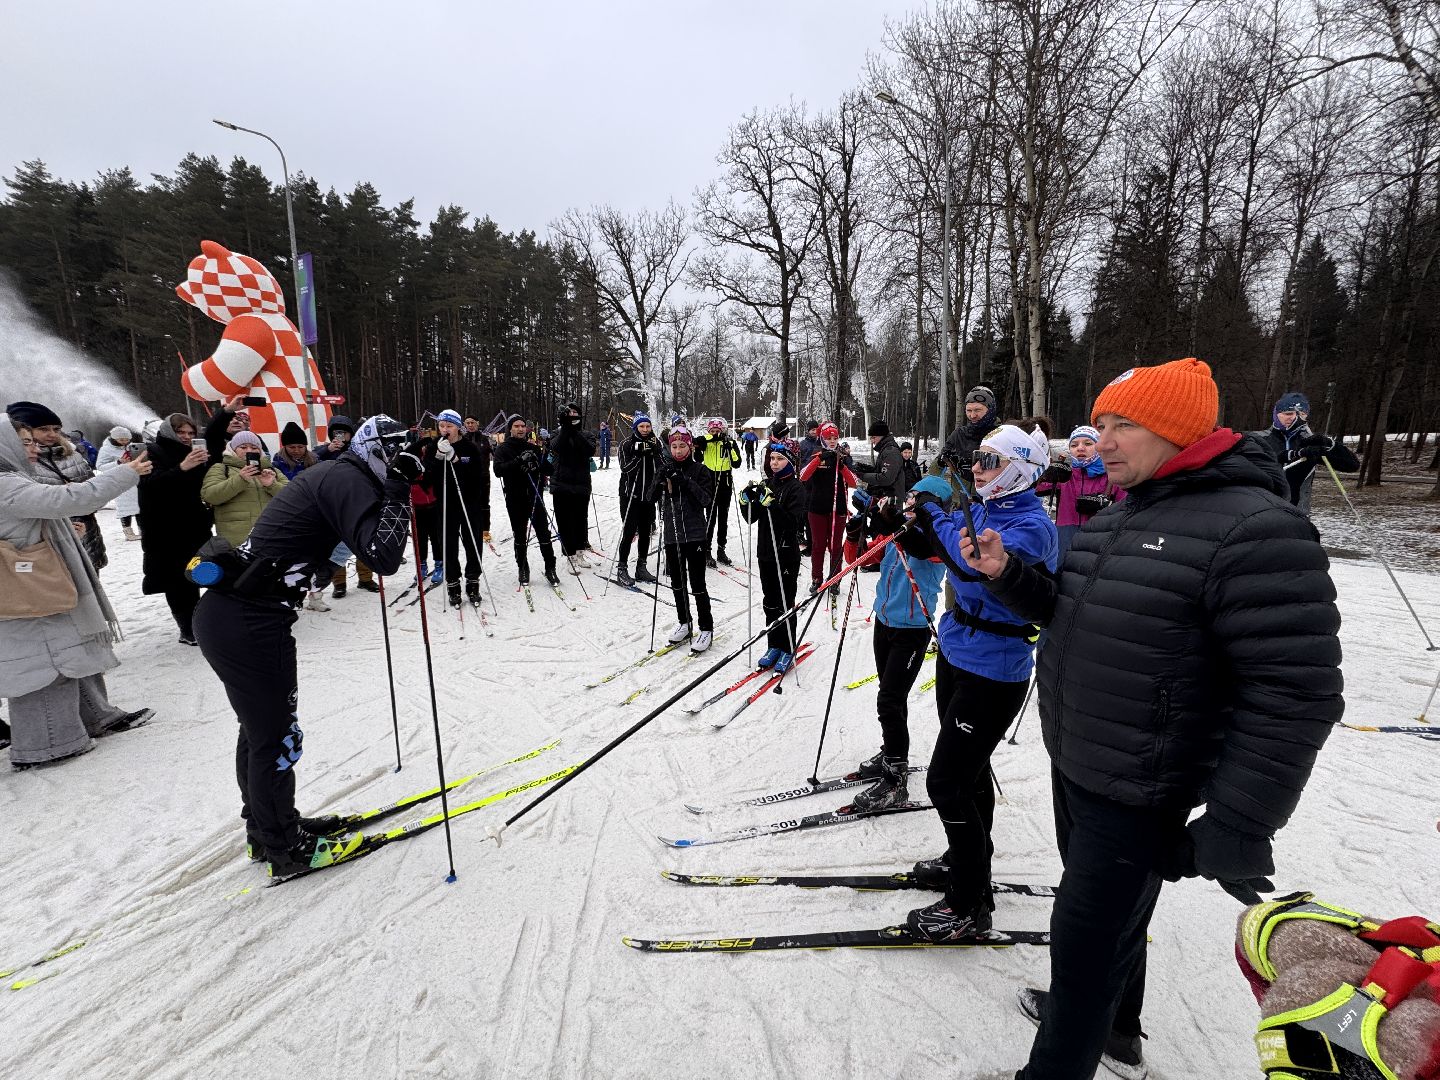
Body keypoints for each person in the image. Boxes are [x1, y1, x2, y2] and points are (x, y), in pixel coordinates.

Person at [956, 358, 1344, 1080]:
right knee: (1108, 933)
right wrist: (1008, 575)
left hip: (1140, 784)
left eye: (1121, 425)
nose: (1100, 441)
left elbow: (1296, 693)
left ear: (1178, 429)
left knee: (1081, 945)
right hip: (1079, 761)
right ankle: (1117, 1031)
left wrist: (1240, 823)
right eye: (1098, 424)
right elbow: (1071, 615)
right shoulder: (1119, 515)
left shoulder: (1259, 529)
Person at [191, 415, 417, 876]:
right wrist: (398, 491)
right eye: (393, 453)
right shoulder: (346, 476)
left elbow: (349, 544)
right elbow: (383, 556)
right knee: (277, 737)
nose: (397, 462)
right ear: (376, 450)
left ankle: (268, 830)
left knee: (261, 734)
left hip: (240, 614)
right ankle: (285, 847)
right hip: (248, 620)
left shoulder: (339, 475)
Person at [904, 423, 1058, 944]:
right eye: (977, 459)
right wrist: (906, 520)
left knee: (944, 782)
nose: (976, 468)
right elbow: (946, 540)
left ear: (1018, 469)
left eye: (990, 461)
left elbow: (971, 564)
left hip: (995, 669)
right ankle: (966, 863)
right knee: (969, 774)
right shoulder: (990, 506)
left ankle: (969, 904)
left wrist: (934, 514)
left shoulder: (1033, 526)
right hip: (958, 651)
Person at [1, 418, 153, 768]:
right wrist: (127, 472)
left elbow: (27, 520)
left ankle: (95, 716)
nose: (35, 447)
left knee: (70, 654)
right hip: (29, 596)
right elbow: (72, 497)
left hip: (41, 587)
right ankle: (47, 745)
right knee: (45, 667)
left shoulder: (13, 481)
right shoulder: (4, 484)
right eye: (25, 443)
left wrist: (60, 528)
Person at [846, 475, 950, 811]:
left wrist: (895, 526)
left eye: (919, 499)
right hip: (884, 622)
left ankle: (895, 781)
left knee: (889, 700)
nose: (910, 503)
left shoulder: (937, 538)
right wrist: (855, 531)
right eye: (911, 496)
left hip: (912, 628)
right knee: (892, 697)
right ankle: (893, 753)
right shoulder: (900, 530)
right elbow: (861, 560)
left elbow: (923, 549)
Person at [138, 414, 213, 645]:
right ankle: (187, 628)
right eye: (181, 432)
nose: (187, 437)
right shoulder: (152, 452)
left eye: (191, 433)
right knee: (177, 581)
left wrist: (203, 466)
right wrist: (183, 467)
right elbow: (151, 486)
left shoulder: (195, 454)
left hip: (194, 525)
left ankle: (202, 622)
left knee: (199, 573)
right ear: (170, 432)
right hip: (165, 531)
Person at [10, 401, 109, 573]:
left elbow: (97, 496)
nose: (52, 434)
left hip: (87, 541)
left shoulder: (73, 456)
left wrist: (82, 495)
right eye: (43, 429)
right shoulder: (16, 463)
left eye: (56, 429)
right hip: (45, 548)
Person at [738, 444, 809, 671]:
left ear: (789, 461)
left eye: (779, 458)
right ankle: (773, 645)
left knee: (785, 603)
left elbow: (793, 524)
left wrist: (773, 505)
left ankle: (788, 647)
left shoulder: (797, 488)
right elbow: (752, 518)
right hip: (766, 552)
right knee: (769, 602)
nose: (774, 463)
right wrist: (746, 502)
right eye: (772, 458)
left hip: (786, 553)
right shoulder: (767, 484)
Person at [649, 427, 715, 652]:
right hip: (672, 535)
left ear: (690, 446)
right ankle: (684, 622)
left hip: (695, 535)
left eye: (682, 446)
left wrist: (685, 482)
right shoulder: (666, 468)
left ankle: (706, 627)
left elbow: (706, 500)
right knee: (677, 583)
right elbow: (650, 499)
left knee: (697, 584)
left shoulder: (701, 471)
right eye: (673, 446)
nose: (677, 450)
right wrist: (658, 481)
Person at [1251, 391, 1360, 514]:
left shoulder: (1308, 442)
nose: (1294, 418)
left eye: (1302, 414)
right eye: (1288, 413)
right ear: (1276, 414)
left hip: (1297, 516)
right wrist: (1293, 455)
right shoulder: (1258, 438)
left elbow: (1352, 465)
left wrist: (1329, 444)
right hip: (1260, 514)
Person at [426, 408, 491, 607]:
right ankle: (453, 583)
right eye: (442, 425)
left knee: (472, 542)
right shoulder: (433, 447)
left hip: (468, 501)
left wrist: (455, 459)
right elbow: (428, 478)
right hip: (445, 503)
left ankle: (473, 581)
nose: (445, 429)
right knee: (448, 543)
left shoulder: (470, 448)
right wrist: (438, 457)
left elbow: (477, 477)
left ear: (458, 427)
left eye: (449, 426)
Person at [1036, 425, 1126, 559]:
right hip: (1066, 532)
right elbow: (1035, 489)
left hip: (1101, 534)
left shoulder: (1112, 475)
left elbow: (1128, 507)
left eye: (1088, 443)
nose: (1080, 448)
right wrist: (1046, 475)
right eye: (1074, 445)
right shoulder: (1066, 475)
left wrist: (1107, 507)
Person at [492, 413, 559, 587]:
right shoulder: (503, 448)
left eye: (522, 426)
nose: (520, 429)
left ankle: (550, 568)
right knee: (520, 535)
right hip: (515, 498)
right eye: (516, 426)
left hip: (535, 497)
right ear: (510, 429)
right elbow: (498, 470)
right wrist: (518, 461)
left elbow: (548, 470)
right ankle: (523, 567)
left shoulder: (534, 447)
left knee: (544, 533)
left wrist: (541, 462)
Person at [797, 422, 858, 594]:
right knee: (817, 545)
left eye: (835, 438)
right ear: (822, 439)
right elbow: (803, 476)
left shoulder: (843, 456)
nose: (832, 441)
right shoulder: (817, 454)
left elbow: (854, 482)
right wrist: (819, 459)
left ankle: (835, 579)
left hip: (837, 508)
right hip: (816, 507)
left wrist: (842, 467)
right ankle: (817, 578)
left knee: (835, 546)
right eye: (828, 438)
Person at [201, 431, 287, 546]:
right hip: (236, 542)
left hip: (273, 539)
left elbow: (294, 498)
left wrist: (272, 485)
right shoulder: (221, 468)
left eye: (254, 447)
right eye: (243, 447)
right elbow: (210, 496)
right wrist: (240, 479)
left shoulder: (273, 470)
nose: (249, 451)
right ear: (233, 450)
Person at [549, 402, 597, 571]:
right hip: (561, 483)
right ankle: (569, 555)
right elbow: (556, 448)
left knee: (580, 520)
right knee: (564, 521)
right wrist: (565, 428)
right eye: (569, 413)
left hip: (581, 483)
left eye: (575, 413)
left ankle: (580, 552)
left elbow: (589, 450)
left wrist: (573, 431)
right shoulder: (557, 433)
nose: (572, 416)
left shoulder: (587, 434)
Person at [615, 413, 661, 588]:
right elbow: (625, 468)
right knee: (629, 532)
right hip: (630, 494)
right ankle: (622, 567)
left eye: (647, 426)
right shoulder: (626, 444)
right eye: (641, 427)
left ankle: (641, 566)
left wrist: (655, 452)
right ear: (635, 427)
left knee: (645, 531)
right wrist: (639, 454)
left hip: (648, 495)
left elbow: (662, 462)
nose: (645, 430)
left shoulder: (655, 441)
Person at [695, 417, 742, 568]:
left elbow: (737, 463)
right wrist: (704, 442)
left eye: (718, 431)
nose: (716, 434)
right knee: (710, 518)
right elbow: (698, 458)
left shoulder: (729, 442)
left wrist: (730, 449)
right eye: (712, 431)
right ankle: (706, 550)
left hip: (725, 482)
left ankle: (721, 549)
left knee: (723, 518)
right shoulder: (706, 441)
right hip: (709, 482)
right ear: (709, 431)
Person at [96, 426, 142, 541]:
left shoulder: (131, 446)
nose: (124, 442)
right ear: (114, 438)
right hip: (120, 481)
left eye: (127, 439)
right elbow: (100, 466)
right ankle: (128, 532)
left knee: (140, 506)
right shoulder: (106, 449)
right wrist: (118, 462)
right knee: (125, 508)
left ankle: (143, 530)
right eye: (121, 440)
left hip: (136, 479)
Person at [941, 385, 999, 469]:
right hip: (961, 482)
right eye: (969, 410)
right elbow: (937, 468)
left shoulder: (1002, 435)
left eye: (977, 410)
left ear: (990, 410)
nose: (972, 415)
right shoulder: (959, 435)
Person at [852, 419, 906, 503]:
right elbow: (880, 470)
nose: (872, 441)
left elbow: (886, 478)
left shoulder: (891, 452)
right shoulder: (885, 450)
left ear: (882, 436)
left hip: (891, 501)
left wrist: (862, 475)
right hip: (885, 497)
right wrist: (864, 468)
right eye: (871, 438)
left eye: (874, 437)